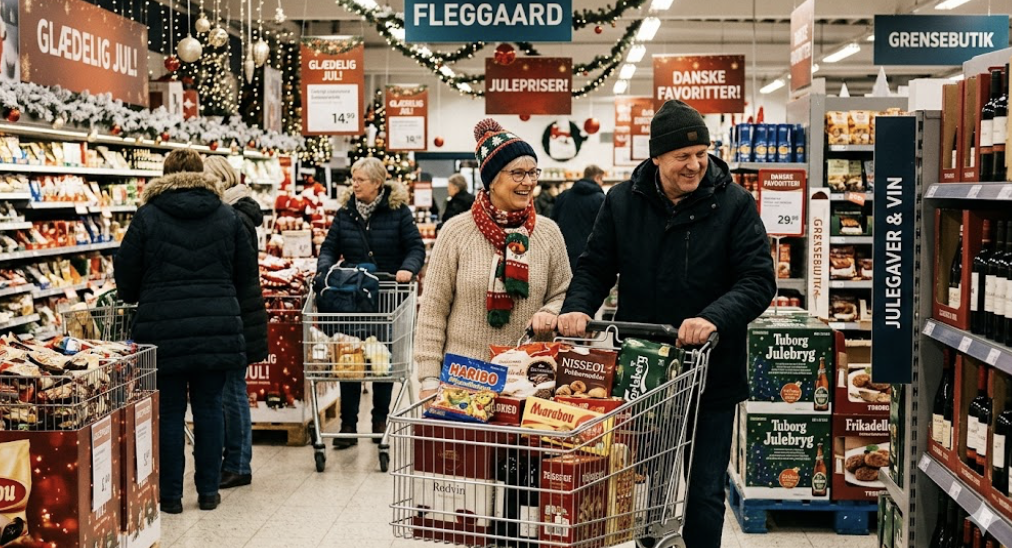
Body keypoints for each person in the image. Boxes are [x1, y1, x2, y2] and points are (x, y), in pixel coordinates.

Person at [557, 100, 776, 548]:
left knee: (704, 489)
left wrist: (713, 317)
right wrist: (578, 307)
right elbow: (595, 267)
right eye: (682, 156)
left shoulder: (734, 204)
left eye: (701, 153)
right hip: (644, 374)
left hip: (710, 373)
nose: (694, 164)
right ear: (656, 156)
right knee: (644, 488)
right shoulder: (622, 201)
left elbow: (758, 280)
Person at [115, 149, 260, 514]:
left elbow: (126, 278)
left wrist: (143, 291)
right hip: (217, 325)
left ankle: (170, 497)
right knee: (210, 408)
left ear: (164, 176)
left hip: (162, 329)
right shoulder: (227, 216)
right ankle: (208, 492)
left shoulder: (147, 216)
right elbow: (246, 277)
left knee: (169, 412)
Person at [415, 119, 572, 399]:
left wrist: (550, 312)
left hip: (530, 382)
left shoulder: (549, 233)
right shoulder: (456, 232)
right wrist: (428, 378)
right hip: (464, 382)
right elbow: (433, 311)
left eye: (533, 172)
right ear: (492, 180)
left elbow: (564, 293)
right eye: (518, 173)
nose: (528, 182)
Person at [315, 157, 425, 449]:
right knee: (350, 357)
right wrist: (324, 269)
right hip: (354, 298)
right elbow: (329, 247)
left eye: (360, 179)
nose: (354, 184)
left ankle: (379, 420)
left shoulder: (398, 212)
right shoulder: (345, 213)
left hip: (388, 297)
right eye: (353, 179)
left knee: (381, 360)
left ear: (377, 183)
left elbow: (415, 247)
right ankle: (348, 425)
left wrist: (408, 268)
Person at [203, 155, 268, 489]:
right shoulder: (234, 213)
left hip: (237, 313)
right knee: (228, 387)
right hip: (236, 311)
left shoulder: (236, 218)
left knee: (232, 388)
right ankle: (233, 460)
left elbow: (235, 270)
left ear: (221, 180)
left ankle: (239, 464)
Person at [551, 164, 606, 272]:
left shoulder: (564, 196)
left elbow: (552, 222)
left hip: (564, 255)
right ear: (597, 178)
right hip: (590, 258)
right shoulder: (601, 199)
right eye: (602, 180)